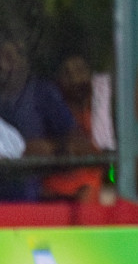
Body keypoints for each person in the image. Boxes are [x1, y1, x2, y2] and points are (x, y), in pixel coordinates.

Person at [0, 36, 80, 201]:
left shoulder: (43, 94)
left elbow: (79, 144)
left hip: (31, 209)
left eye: (8, 57)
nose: (2, 64)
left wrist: (50, 149)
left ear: (25, 62)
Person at [42, 56, 110, 202]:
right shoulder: (49, 114)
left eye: (79, 70)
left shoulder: (102, 113)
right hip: (51, 199)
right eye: (67, 73)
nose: (74, 78)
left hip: (92, 202)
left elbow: (112, 170)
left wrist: (110, 179)